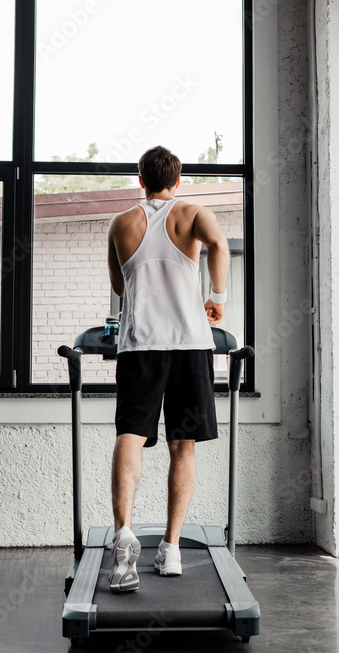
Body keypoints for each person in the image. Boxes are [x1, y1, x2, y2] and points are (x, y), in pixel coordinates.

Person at [105, 146, 230, 593]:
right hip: (190, 345)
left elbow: (120, 285)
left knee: (130, 437)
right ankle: (172, 548)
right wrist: (217, 296)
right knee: (184, 446)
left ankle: (124, 535)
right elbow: (219, 245)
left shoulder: (122, 223)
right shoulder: (193, 212)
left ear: (141, 179)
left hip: (140, 347)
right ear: (177, 179)